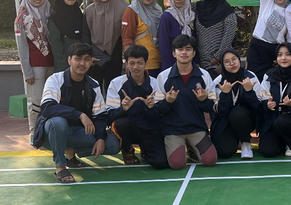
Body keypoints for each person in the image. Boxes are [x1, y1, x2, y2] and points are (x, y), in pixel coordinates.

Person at [31, 42, 120, 183]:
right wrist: (79, 115)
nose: (82, 63)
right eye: (78, 59)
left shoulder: (93, 85)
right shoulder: (55, 79)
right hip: (52, 133)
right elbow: (48, 107)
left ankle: (70, 151)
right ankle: (60, 166)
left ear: (91, 62)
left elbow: (100, 116)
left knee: (113, 144)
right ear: (69, 60)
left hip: (78, 133)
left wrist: (101, 138)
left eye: (86, 59)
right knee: (58, 122)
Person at [154, 35, 217, 169]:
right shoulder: (163, 76)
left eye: (188, 49)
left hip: (196, 128)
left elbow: (211, 107)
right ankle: (183, 145)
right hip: (173, 130)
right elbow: (158, 109)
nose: (184, 52)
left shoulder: (204, 75)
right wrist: (168, 101)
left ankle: (191, 145)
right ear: (174, 53)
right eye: (180, 49)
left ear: (194, 53)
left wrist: (203, 100)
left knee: (210, 160)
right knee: (177, 164)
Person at [105, 45, 168, 169]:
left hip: (151, 129)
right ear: (126, 63)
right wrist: (123, 109)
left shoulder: (156, 83)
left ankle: (146, 149)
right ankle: (127, 149)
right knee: (120, 123)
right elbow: (108, 116)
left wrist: (152, 108)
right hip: (130, 128)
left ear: (146, 63)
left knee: (160, 163)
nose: (135, 67)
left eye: (140, 63)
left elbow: (162, 114)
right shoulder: (116, 83)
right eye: (132, 63)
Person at [208, 48, 262, 159]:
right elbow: (220, 111)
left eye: (234, 59)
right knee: (224, 152)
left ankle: (245, 142)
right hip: (226, 120)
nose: (232, 63)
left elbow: (258, 107)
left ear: (239, 60)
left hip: (246, 119)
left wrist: (249, 91)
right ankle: (236, 139)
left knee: (237, 112)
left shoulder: (250, 77)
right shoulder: (218, 82)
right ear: (222, 65)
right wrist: (226, 94)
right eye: (227, 62)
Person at [15, 0, 54, 133]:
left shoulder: (50, 13)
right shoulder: (22, 18)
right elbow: (22, 47)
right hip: (35, 66)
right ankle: (34, 132)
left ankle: (48, 131)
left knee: (50, 100)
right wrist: (27, 71)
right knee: (35, 101)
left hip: (52, 64)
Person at [83, 0, 129, 95]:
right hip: (94, 57)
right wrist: (88, 56)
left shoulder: (124, 8)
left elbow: (127, 34)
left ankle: (112, 112)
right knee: (94, 91)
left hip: (114, 57)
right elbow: (86, 34)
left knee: (113, 89)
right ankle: (95, 113)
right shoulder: (90, 10)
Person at [247, 0, 290, 81]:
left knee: (270, 82)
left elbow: (290, 37)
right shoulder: (267, 2)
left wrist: (282, 55)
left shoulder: (290, 11)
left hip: (274, 50)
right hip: (257, 47)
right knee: (253, 80)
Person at [187, 0, 237, 78]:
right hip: (201, 63)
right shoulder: (199, 7)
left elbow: (228, 37)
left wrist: (218, 57)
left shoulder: (227, 11)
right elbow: (184, 7)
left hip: (220, 63)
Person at [122, 0, 163, 77]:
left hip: (159, 63)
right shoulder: (131, 11)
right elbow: (127, 38)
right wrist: (129, 61)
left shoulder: (158, 10)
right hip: (141, 65)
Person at [158, 0, 195, 71]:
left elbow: (194, 41)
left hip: (190, 64)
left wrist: (196, 61)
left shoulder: (191, 15)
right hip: (172, 65)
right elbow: (164, 44)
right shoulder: (167, 17)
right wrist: (169, 67)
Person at [48, 0, 83, 73]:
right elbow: (56, 45)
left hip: (82, 65)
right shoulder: (55, 18)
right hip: (64, 66)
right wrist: (64, 67)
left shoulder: (80, 15)